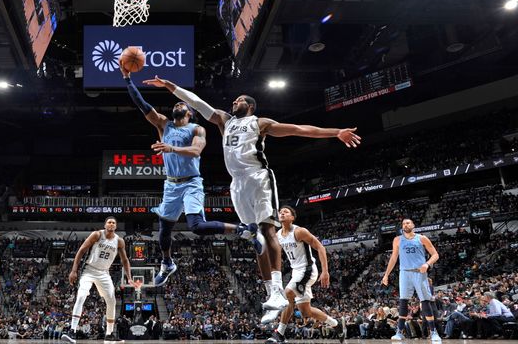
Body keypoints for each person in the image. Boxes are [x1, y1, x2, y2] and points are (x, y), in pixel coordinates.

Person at [142, 76, 361, 311]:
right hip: (237, 183)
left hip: (258, 177)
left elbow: (299, 130)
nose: (234, 102)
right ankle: (271, 294)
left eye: (239, 100)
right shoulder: (224, 121)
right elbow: (195, 102)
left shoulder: (260, 123)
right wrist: (170, 86)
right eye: (234, 100)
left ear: (251, 106)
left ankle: (278, 288)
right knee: (255, 236)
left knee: (268, 230)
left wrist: (336, 132)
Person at [122, 63, 255, 286]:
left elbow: (196, 150)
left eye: (182, 103)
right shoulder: (164, 124)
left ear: (190, 113)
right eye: (176, 103)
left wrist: (171, 149)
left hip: (192, 183)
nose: (178, 104)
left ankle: (241, 229)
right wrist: (127, 79)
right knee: (163, 232)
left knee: (197, 227)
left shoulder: (196, 129)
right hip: (171, 185)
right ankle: (167, 264)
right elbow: (141, 104)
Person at [267, 206, 345, 344]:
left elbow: (320, 247)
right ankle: (336, 324)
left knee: (288, 293)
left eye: (286, 212)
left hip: (307, 270)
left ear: (292, 217)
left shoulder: (299, 232)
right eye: (280, 212)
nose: (282, 213)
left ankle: (279, 333)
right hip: (296, 272)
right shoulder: (278, 235)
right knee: (306, 312)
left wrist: (325, 271)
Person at [61, 217, 133, 344]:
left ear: (116, 226)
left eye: (114, 223)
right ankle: (72, 331)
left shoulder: (119, 241)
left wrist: (129, 277)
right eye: (109, 222)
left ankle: (109, 334)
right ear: (105, 225)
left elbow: (125, 260)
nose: (111, 224)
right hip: (89, 270)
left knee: (111, 300)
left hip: (104, 273)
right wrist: (73, 270)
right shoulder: (97, 235)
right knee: (81, 295)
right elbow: (81, 250)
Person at [381, 218, 442, 342]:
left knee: (425, 302)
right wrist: (386, 274)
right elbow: (393, 258)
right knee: (403, 302)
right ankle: (399, 332)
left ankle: (433, 332)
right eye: (403, 223)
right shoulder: (397, 240)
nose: (405, 225)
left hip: (419, 272)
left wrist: (427, 264)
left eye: (408, 223)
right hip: (404, 273)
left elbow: (435, 255)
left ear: (413, 225)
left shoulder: (422, 238)